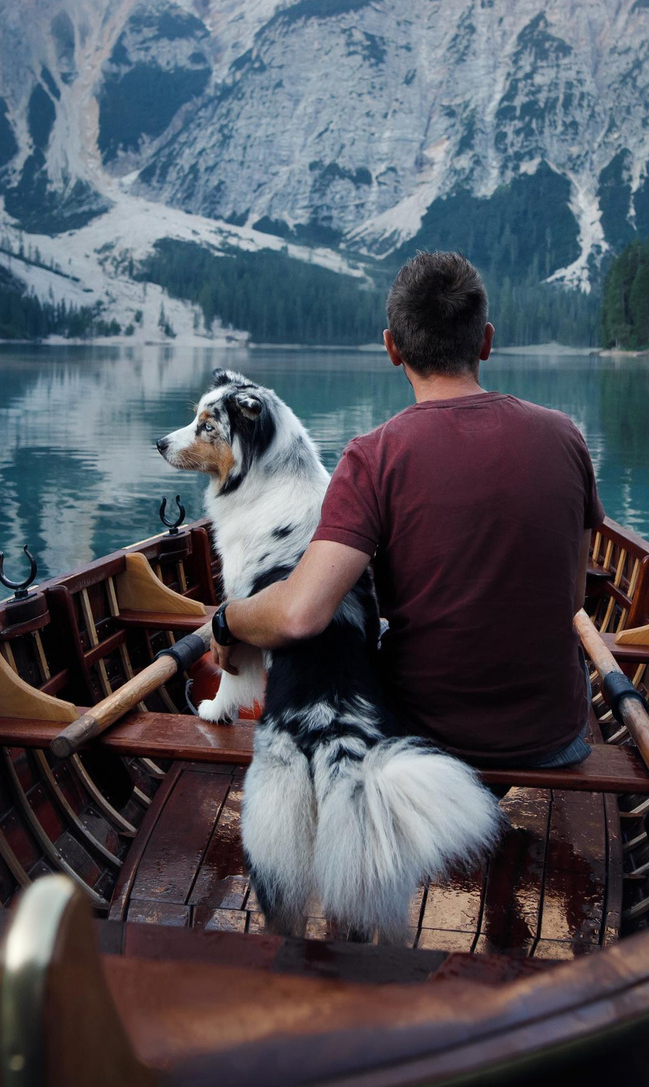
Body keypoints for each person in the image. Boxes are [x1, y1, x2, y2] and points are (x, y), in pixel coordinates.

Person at [207, 250, 600, 769]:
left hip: (422, 741)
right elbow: (573, 598)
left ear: (392, 348)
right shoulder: (566, 436)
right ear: (486, 339)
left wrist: (227, 620)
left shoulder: (374, 457)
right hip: (556, 737)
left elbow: (300, 616)